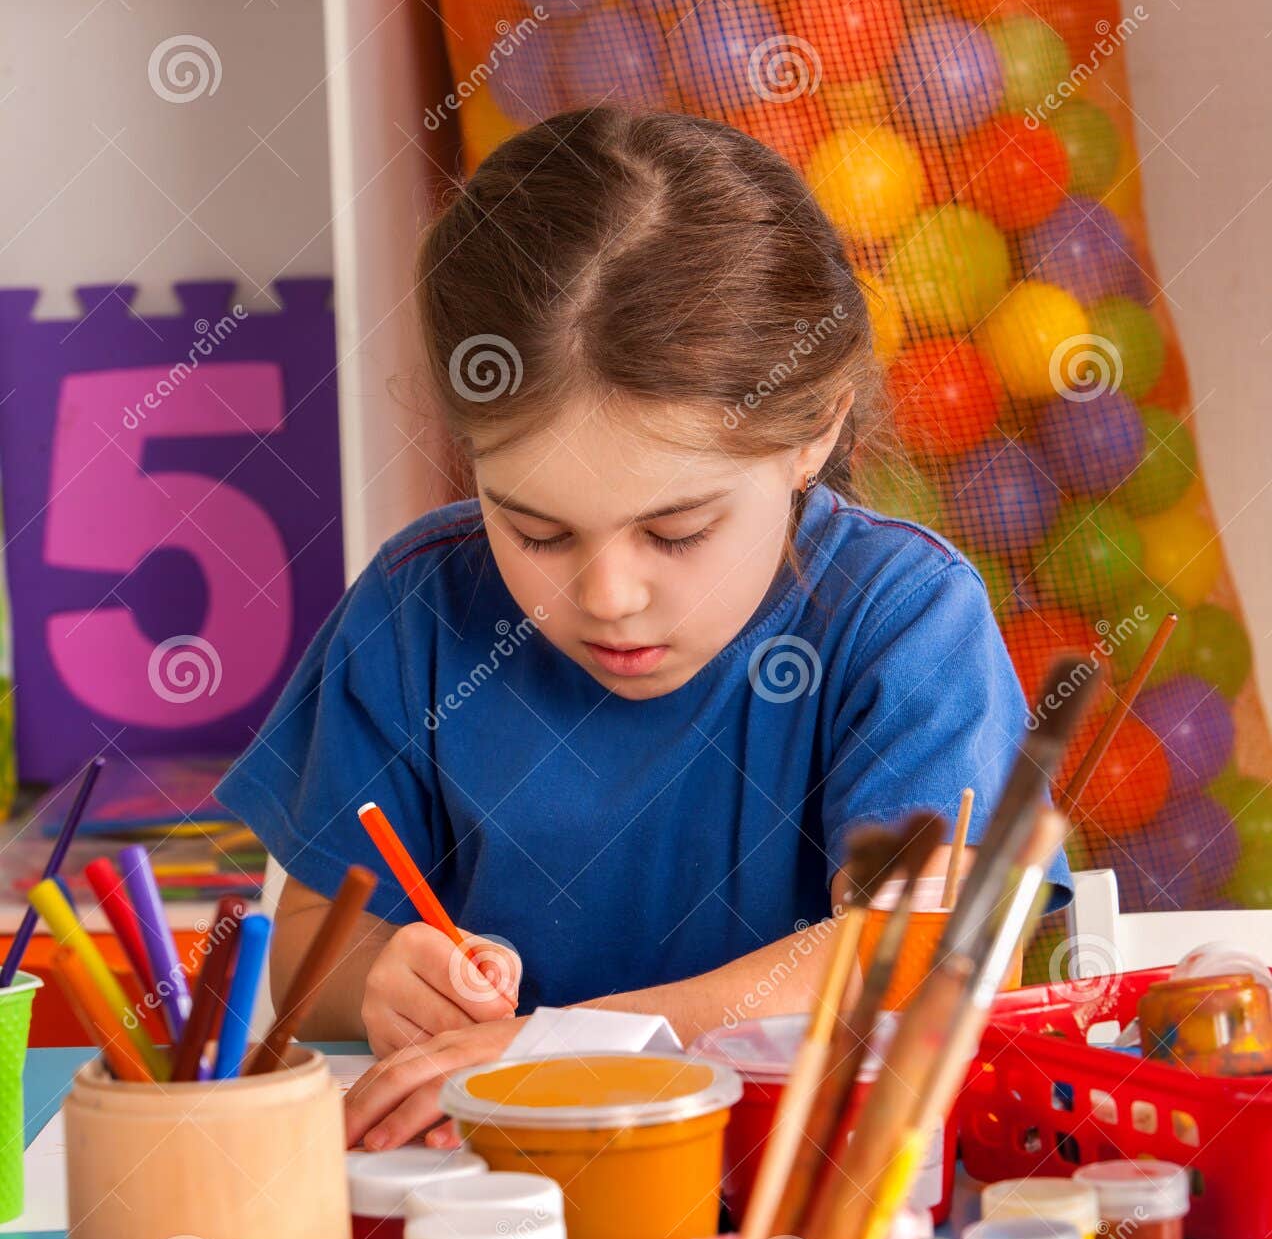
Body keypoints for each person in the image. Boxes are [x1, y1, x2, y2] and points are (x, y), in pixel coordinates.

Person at [217, 107, 1067, 1149]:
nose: (609, 594)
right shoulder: (416, 610)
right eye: (535, 529)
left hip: (797, 1199)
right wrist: (384, 980)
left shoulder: (901, 619)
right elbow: (311, 939)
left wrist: (571, 1045)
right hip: (486, 1201)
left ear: (816, 431)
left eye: (676, 531)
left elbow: (934, 953)